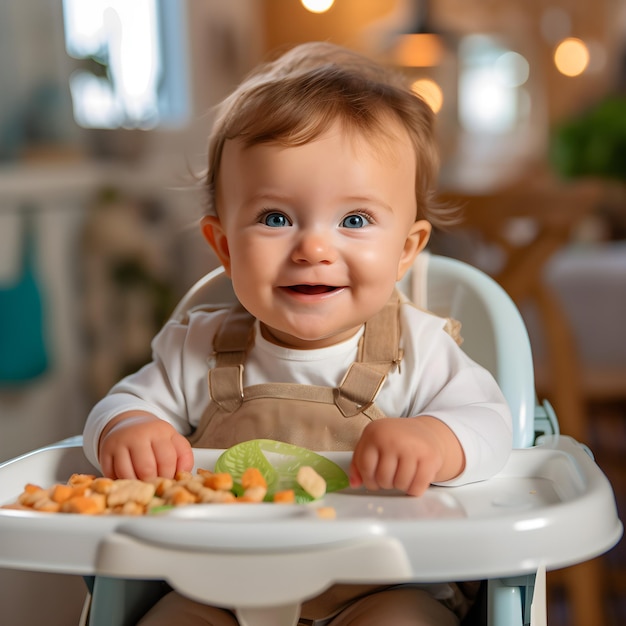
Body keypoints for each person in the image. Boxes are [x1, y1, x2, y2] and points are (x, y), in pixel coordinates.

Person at [83, 41, 512, 626]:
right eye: (275, 218)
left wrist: (436, 440)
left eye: (354, 221)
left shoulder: (421, 347)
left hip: (380, 588)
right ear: (225, 248)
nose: (313, 248)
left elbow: (492, 424)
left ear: (406, 250)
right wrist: (128, 428)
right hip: (219, 590)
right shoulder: (196, 347)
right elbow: (122, 402)